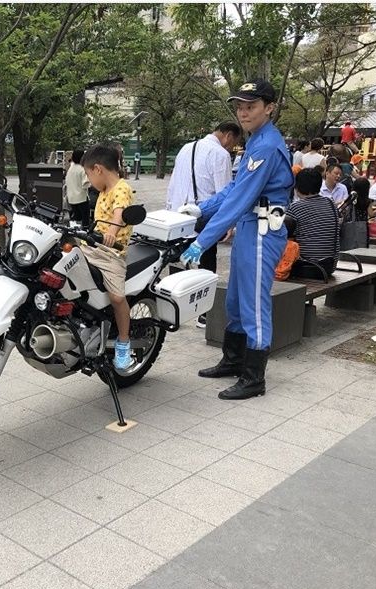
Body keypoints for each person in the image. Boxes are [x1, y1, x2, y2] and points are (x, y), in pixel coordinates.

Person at [180, 79, 293, 400]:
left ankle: (254, 378)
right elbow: (234, 188)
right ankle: (233, 360)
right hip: (249, 228)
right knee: (236, 300)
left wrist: (203, 240)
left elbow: (240, 198)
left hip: (262, 231)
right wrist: (201, 208)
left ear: (269, 108)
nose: (243, 113)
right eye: (240, 107)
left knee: (254, 303)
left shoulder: (267, 146)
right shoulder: (257, 141)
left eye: (251, 106)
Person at [166, 121, 242, 327]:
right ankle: (204, 314)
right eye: (233, 142)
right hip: (204, 214)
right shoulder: (220, 154)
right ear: (228, 135)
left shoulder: (186, 147)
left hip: (180, 212)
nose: (231, 147)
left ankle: (174, 309)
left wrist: (170, 208)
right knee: (207, 261)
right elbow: (225, 191)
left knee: (179, 258)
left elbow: (173, 182)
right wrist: (228, 223)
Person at [80, 144, 136, 370]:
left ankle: (123, 342)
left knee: (117, 298)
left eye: (88, 174)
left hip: (112, 254)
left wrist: (112, 232)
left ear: (98, 169)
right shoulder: (103, 191)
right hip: (92, 248)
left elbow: (119, 213)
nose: (88, 180)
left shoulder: (121, 188)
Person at [287, 168, 340, 278]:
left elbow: (285, 236)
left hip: (307, 267)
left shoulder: (295, 207)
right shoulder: (331, 203)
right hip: (330, 266)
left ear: (297, 187)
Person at [65, 149, 91, 226]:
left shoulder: (71, 168)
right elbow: (85, 184)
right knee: (85, 219)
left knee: (76, 218)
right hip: (81, 198)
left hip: (71, 198)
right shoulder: (82, 169)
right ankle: (85, 230)